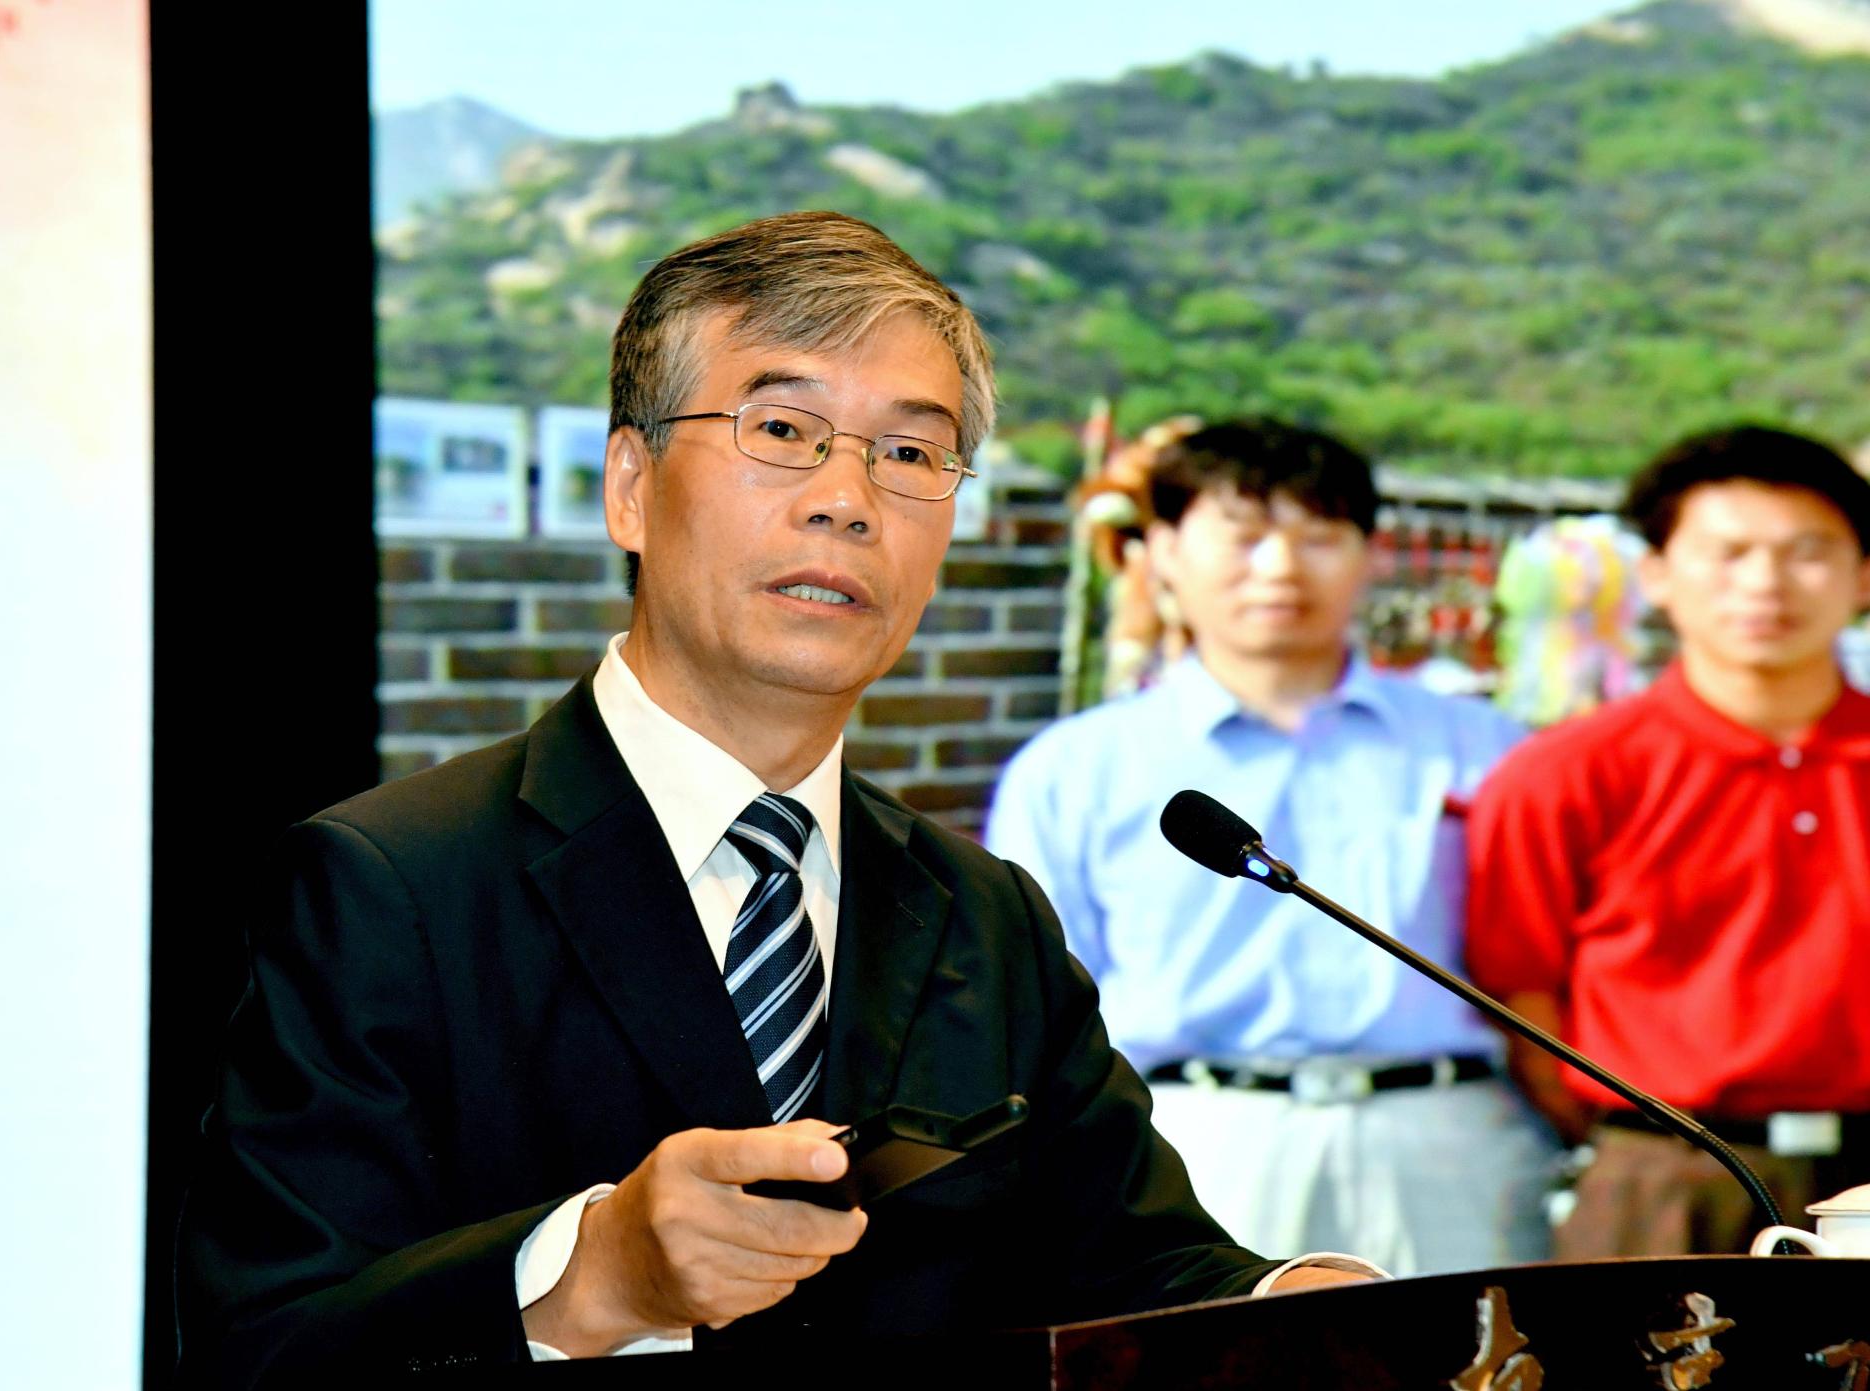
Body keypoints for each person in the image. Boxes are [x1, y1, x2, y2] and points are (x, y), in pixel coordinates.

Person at [176, 214, 1372, 1386]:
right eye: (785, 429)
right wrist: (593, 1276)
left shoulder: (984, 912)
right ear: (631, 486)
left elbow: (1135, 1264)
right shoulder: (393, 882)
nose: (847, 497)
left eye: (910, 454)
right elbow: (262, 1348)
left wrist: (1300, 1303)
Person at [985, 420, 1557, 1277]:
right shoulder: (1074, 767)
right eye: (1243, 536)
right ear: (1163, 551)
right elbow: (1036, 1006)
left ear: (1371, 553)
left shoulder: (1486, 747)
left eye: (1318, 536)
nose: (1281, 567)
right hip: (1191, 1136)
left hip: (1444, 1139)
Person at [1466, 424, 1870, 1257]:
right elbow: (1521, 994)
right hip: (1660, 1182)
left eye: (1807, 552)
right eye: (1728, 552)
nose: (1764, 583)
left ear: (1863, 574)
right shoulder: (1563, 773)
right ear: (1655, 573)